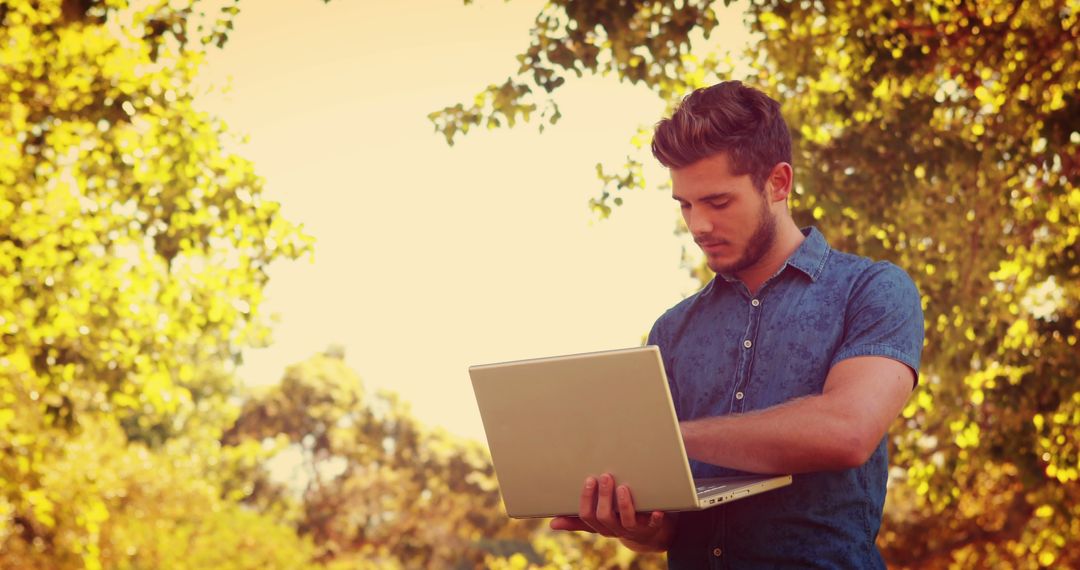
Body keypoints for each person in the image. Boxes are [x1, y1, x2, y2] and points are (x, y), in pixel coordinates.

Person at [550, 81, 925, 568]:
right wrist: (638, 526)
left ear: (778, 183)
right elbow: (666, 527)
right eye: (685, 205)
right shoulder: (671, 331)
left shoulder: (872, 290)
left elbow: (847, 431)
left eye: (717, 202)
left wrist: (666, 435)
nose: (698, 225)